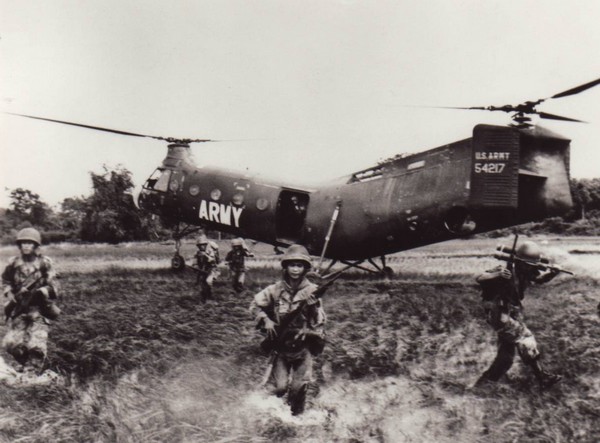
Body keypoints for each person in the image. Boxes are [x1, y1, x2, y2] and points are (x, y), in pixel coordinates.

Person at [475, 240, 562, 389]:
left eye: (533, 266)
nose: (532, 269)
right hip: (499, 314)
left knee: (506, 358)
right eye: (529, 265)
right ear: (520, 263)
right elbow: (480, 278)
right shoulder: (505, 271)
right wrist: (498, 274)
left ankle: (484, 385)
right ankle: (542, 377)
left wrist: (552, 274)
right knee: (525, 337)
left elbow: (539, 279)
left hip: (511, 314)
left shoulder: (526, 272)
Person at [250, 244, 326, 415]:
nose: (295, 269)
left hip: (302, 349)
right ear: (286, 267)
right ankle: (271, 414)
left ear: (305, 268)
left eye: (299, 265)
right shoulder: (275, 289)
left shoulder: (312, 291)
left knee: (298, 389)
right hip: (281, 348)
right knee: (280, 387)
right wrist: (266, 320)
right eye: (292, 265)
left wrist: (310, 323)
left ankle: (295, 420)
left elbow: (319, 322)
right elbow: (255, 305)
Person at [2, 228, 61, 378]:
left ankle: (31, 374)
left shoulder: (44, 263)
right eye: (23, 243)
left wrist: (42, 291)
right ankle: (26, 365)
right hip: (20, 309)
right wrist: (10, 294)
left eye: (30, 243)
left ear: (36, 246)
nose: (26, 246)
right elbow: (5, 281)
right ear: (19, 245)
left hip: (39, 310)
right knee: (11, 345)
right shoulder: (13, 263)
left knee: (36, 346)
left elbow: (55, 287)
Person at [194, 234, 220, 302]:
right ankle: (204, 297)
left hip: (212, 269)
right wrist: (195, 266)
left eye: (203, 245)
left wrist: (205, 255)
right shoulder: (198, 253)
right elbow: (195, 261)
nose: (201, 246)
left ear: (206, 245)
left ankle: (210, 295)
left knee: (208, 281)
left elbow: (212, 260)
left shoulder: (210, 251)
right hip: (203, 270)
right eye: (200, 245)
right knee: (203, 284)